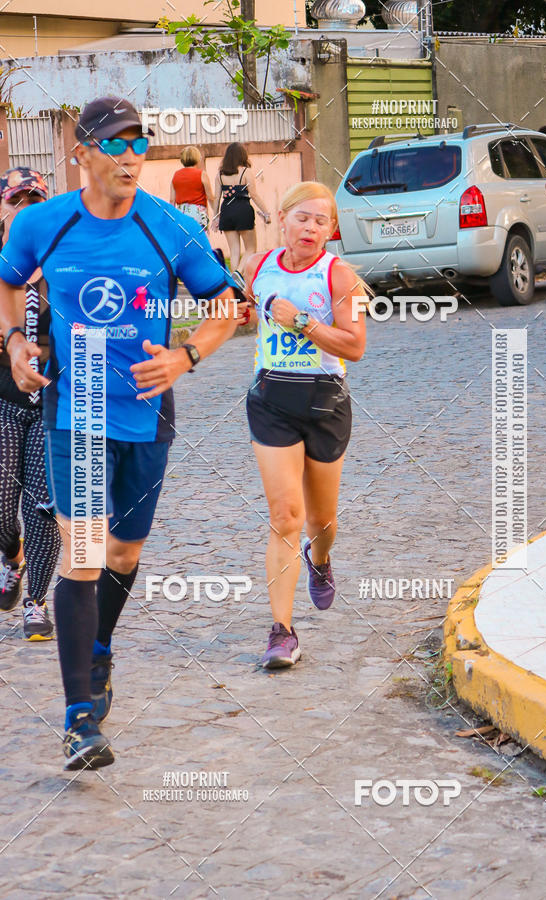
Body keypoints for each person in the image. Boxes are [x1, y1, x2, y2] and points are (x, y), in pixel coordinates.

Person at [0, 96, 246, 771]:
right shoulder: (41, 223)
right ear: (82, 153)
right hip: (76, 409)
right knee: (82, 555)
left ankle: (100, 647)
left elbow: (226, 306)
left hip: (146, 413)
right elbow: (7, 282)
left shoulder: (171, 227)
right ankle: (79, 719)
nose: (131, 155)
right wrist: (16, 341)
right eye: (115, 143)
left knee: (124, 553)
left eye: (140, 142)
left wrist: (186, 355)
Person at [242, 182, 366, 669]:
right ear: (282, 219)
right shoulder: (256, 266)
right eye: (302, 217)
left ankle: (321, 557)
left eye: (321, 221)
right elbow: (243, 309)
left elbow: (355, 346)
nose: (311, 227)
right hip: (271, 400)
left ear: (331, 230)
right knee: (286, 516)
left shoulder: (340, 276)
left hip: (325, 404)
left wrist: (302, 323)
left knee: (321, 523)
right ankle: (282, 632)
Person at [0, 167, 61, 640]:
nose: (24, 209)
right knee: (2, 508)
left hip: (52, 407)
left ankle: (36, 603)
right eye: (16, 200)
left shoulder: (63, 265)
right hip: (3, 402)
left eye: (34, 201)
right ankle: (12, 556)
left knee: (43, 508)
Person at [212, 142, 271, 276]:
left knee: (234, 251)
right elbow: (254, 195)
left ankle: (235, 281)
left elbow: (216, 197)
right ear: (242, 155)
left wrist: (215, 217)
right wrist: (266, 213)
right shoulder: (246, 172)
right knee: (251, 248)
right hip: (243, 210)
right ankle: (238, 273)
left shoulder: (220, 175)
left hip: (226, 211)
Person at [170, 145, 214, 231]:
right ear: (197, 158)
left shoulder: (176, 175)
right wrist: (216, 212)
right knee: (199, 238)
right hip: (198, 213)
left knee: (184, 238)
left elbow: (172, 200)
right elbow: (210, 197)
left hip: (181, 212)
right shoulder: (202, 174)